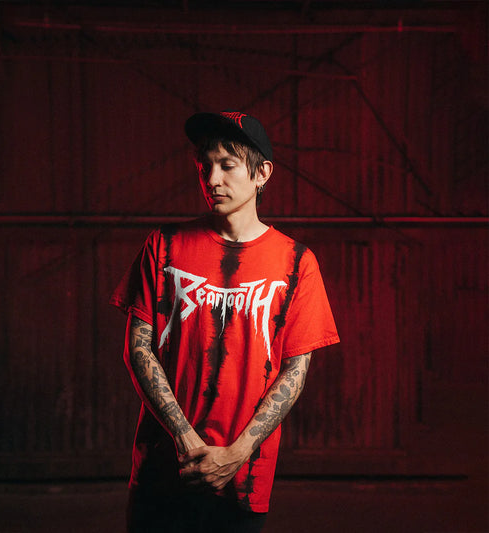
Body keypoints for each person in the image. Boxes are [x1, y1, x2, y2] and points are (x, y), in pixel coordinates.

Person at [110, 110, 340, 532]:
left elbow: (295, 370)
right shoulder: (164, 246)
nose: (212, 179)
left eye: (227, 165)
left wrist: (238, 452)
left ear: (262, 173)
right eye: (205, 166)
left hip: (242, 479)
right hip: (164, 471)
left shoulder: (296, 262)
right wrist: (184, 438)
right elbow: (138, 349)